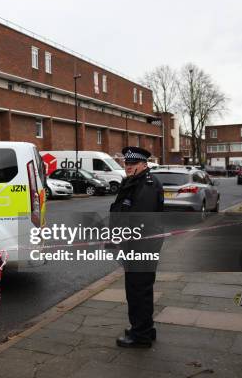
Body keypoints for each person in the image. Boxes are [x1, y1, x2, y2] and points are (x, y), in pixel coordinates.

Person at [109, 146, 164, 348]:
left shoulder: (146, 185)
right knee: (140, 289)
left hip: (141, 247)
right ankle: (144, 329)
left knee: (138, 290)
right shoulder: (135, 182)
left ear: (144, 165)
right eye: (127, 163)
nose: (128, 167)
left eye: (133, 164)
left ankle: (140, 336)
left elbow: (139, 221)